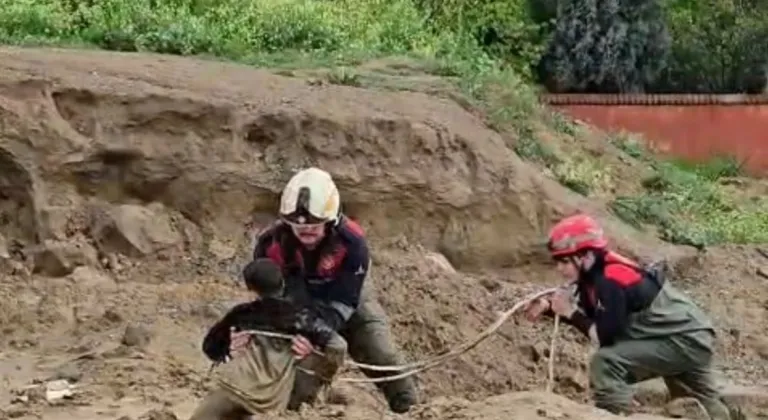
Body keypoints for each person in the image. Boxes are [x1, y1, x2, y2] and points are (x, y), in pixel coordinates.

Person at [524, 213, 733, 420]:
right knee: (700, 401)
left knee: (606, 362)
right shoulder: (598, 273)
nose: (559, 268)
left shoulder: (609, 280)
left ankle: (614, 415)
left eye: (564, 262)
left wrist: (569, 312)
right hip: (690, 337)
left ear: (585, 256)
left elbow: (604, 336)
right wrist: (550, 309)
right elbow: (594, 318)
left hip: (682, 341)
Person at [251, 167, 418, 414]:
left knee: (381, 351)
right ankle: (293, 408)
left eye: (315, 224)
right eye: (298, 226)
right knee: (316, 354)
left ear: (331, 219)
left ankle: (412, 409)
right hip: (298, 301)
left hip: (349, 296)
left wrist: (319, 330)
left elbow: (346, 300)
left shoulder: (352, 243)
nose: (306, 229)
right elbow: (268, 299)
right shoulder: (270, 246)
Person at [189, 258, 347, 420]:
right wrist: (324, 372)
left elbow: (210, 347)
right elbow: (338, 346)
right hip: (271, 403)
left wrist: (229, 350)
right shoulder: (302, 317)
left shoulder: (242, 314)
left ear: (252, 290)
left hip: (233, 388)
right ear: (282, 283)